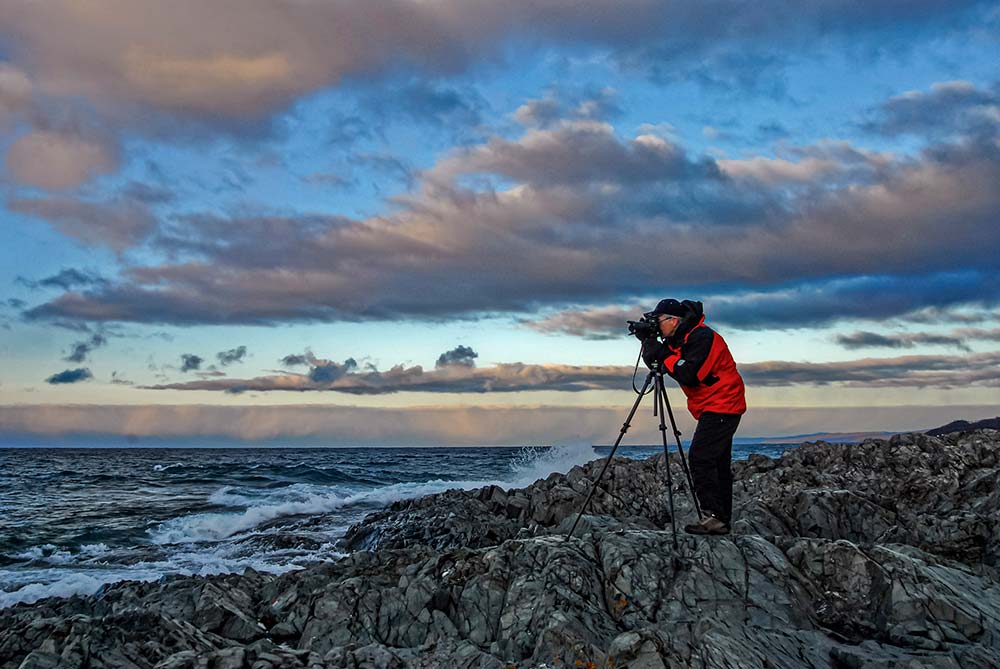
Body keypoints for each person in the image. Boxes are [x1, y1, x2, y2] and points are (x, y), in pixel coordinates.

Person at [639, 299, 747, 535]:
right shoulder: (680, 339)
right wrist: (649, 343)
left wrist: (662, 352)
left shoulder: (702, 337)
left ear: (673, 320)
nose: (656, 326)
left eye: (658, 321)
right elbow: (662, 362)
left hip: (723, 404)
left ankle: (714, 517)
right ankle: (720, 519)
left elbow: (690, 373)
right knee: (718, 464)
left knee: (701, 458)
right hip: (714, 405)